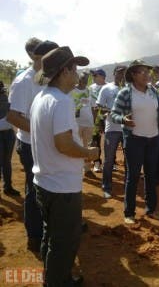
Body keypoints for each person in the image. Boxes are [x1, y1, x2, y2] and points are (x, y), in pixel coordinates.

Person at [30, 46, 98, 287]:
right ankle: (58, 281)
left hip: (45, 181)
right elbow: (64, 144)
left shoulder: (41, 98)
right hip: (62, 187)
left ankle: (52, 276)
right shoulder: (61, 101)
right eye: (74, 68)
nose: (77, 73)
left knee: (51, 235)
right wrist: (88, 153)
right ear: (64, 72)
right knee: (65, 241)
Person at [7, 38, 59, 252]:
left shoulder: (48, 79)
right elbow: (13, 116)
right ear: (38, 58)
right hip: (30, 144)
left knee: (48, 186)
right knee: (34, 189)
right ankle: (35, 235)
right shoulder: (24, 81)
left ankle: (52, 227)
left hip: (47, 144)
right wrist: (41, 131)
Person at [111, 59, 159, 224]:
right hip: (135, 140)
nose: (147, 74)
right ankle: (129, 213)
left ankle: (151, 209)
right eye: (142, 71)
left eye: (147, 71)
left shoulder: (153, 91)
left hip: (153, 139)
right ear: (133, 75)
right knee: (133, 176)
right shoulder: (125, 93)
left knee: (151, 175)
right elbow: (113, 114)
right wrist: (123, 120)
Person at [96, 65, 127, 198]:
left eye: (124, 73)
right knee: (109, 160)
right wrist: (111, 112)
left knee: (129, 159)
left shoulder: (129, 89)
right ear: (114, 74)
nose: (122, 75)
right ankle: (107, 187)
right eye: (119, 73)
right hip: (112, 129)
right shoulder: (106, 88)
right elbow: (99, 107)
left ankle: (128, 185)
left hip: (128, 129)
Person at [71, 71, 95, 178]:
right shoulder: (71, 90)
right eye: (82, 79)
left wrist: (93, 121)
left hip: (88, 123)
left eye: (86, 79)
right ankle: (76, 169)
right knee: (76, 146)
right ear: (78, 79)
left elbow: (93, 107)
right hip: (76, 124)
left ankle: (87, 169)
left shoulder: (89, 91)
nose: (84, 81)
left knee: (87, 146)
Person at [0, 81, 20, 196]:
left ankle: (8, 186)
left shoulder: (7, 99)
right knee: (3, 161)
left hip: (8, 133)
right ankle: (7, 186)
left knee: (6, 161)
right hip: (5, 134)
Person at [89, 69, 107, 172]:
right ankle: (97, 162)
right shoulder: (90, 88)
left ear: (102, 76)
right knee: (95, 141)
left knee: (108, 142)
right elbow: (90, 105)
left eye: (95, 76)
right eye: (93, 76)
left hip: (106, 118)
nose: (93, 77)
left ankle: (111, 162)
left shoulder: (108, 87)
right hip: (95, 118)